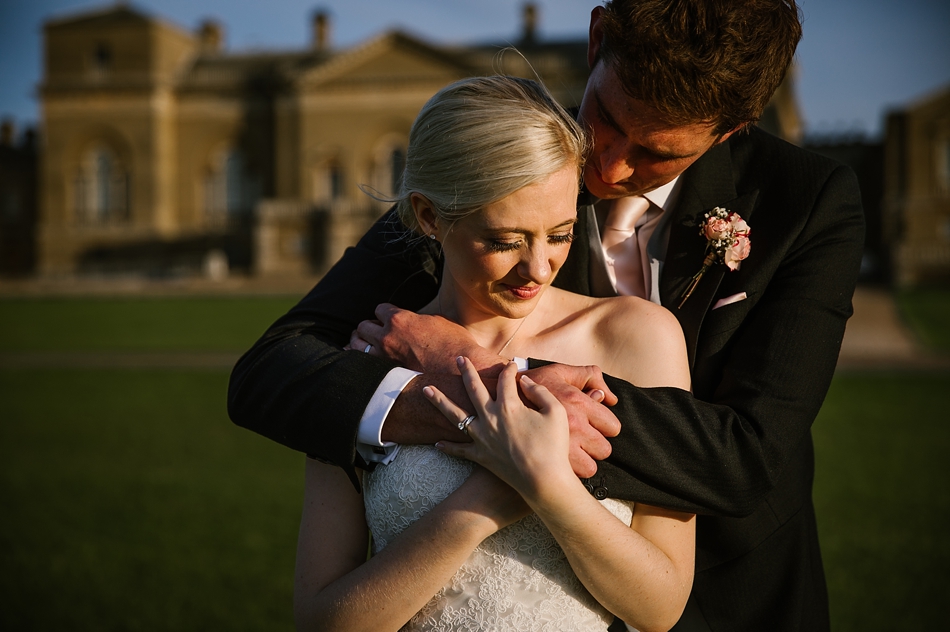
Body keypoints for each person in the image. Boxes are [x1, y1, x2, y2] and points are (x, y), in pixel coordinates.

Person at [228, 1, 865, 630]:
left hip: (737, 599)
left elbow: (751, 457)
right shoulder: (503, 163)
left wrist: (480, 374)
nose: (608, 164)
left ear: (731, 129)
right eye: (607, 117)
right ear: (596, 41)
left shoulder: (807, 202)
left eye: (656, 153)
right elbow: (275, 368)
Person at [293, 75, 695, 632]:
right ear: (430, 217)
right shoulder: (365, 356)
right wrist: (484, 502)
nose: (538, 267)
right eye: (506, 241)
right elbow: (321, 621)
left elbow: (661, 606)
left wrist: (548, 487)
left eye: (559, 233)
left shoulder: (636, 337)